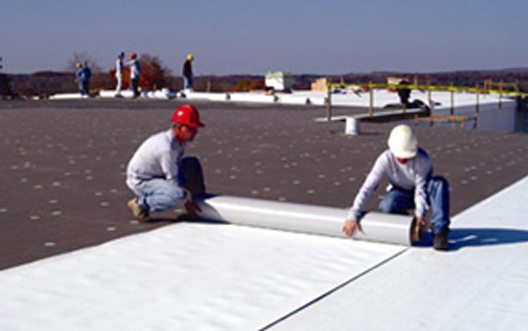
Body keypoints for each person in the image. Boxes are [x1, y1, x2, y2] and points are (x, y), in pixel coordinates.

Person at [342, 124, 451, 251]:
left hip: (424, 193)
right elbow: (368, 188)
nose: (403, 158)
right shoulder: (385, 159)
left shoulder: (423, 160)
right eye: (400, 155)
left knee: (439, 183)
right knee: (387, 204)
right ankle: (405, 223)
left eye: (406, 156)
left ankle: (440, 232)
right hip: (401, 193)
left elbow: (420, 190)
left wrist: (420, 215)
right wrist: (353, 215)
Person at [126, 104, 206, 222]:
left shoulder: (179, 141)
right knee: (178, 195)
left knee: (192, 164)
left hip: (158, 172)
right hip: (142, 180)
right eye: (191, 129)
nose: (195, 132)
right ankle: (141, 204)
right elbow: (172, 180)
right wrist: (186, 203)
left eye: (195, 129)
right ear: (179, 128)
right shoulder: (166, 148)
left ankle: (200, 203)